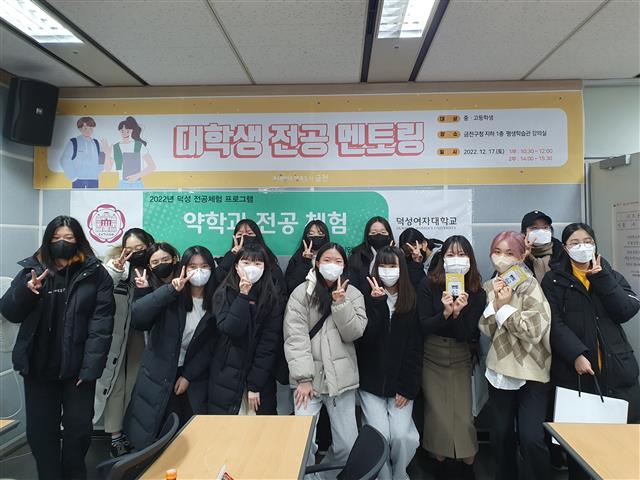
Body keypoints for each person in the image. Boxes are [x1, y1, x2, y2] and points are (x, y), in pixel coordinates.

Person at [0, 215, 115, 479]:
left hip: (78, 371)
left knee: (79, 431)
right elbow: (9, 312)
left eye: (68, 237)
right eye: (56, 238)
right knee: (40, 434)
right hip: (38, 367)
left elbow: (101, 325)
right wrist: (27, 291)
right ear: (47, 240)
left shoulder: (95, 274)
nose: (62, 242)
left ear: (79, 240)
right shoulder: (32, 269)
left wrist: (91, 369)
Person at [541, 223, 640, 479]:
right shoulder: (554, 280)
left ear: (594, 244)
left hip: (617, 370)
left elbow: (626, 310)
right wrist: (575, 354)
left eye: (587, 241)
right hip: (576, 373)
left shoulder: (609, 274)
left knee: (621, 447)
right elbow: (553, 323)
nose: (582, 247)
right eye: (575, 243)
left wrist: (601, 278)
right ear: (565, 248)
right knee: (582, 448)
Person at [284, 242, 367, 475]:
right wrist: (303, 378)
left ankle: (327, 475)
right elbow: (295, 337)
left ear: (344, 265)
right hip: (307, 382)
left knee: (347, 444)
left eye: (338, 261)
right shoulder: (302, 293)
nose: (332, 265)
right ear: (317, 263)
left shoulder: (354, 294)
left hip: (341, 380)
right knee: (303, 442)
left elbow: (354, 332)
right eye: (327, 260)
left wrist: (341, 303)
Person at [124, 245, 216, 449]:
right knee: (157, 434)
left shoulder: (217, 300)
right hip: (160, 372)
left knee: (191, 435)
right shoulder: (171, 293)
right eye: (193, 266)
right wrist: (170, 291)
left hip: (193, 375)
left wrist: (188, 375)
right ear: (183, 267)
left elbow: (211, 345)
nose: (198, 271)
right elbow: (138, 318)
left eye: (204, 266)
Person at [479, 231, 552, 480]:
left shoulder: (531, 285)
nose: (502, 257)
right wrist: (495, 304)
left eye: (509, 253)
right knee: (500, 436)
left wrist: (505, 308)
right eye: (497, 251)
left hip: (531, 370)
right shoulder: (491, 286)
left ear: (522, 256)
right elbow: (486, 329)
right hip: (500, 369)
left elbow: (534, 330)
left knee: (531, 438)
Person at [417, 235, 486, 479]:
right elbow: (424, 325)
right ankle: (439, 464)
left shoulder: (476, 291)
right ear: (442, 259)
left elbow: (467, 334)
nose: (456, 259)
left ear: (470, 259)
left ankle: (468, 465)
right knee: (437, 417)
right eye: (450, 255)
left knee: (463, 417)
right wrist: (445, 314)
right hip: (432, 356)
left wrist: (458, 314)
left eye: (462, 255)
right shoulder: (428, 285)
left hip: (460, 356)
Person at [357, 246, 421, 480]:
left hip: (401, 386)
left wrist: (407, 387)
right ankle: (382, 477)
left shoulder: (411, 300)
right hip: (371, 384)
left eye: (392, 266)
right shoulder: (365, 297)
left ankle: (400, 474)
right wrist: (377, 305)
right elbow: (365, 340)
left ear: (401, 269)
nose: (387, 271)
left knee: (403, 437)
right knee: (379, 436)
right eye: (382, 265)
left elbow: (415, 348)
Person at [214, 219, 286, 414]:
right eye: (245, 262)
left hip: (260, 375)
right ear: (236, 266)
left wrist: (255, 384)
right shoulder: (223, 292)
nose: (251, 267)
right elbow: (230, 328)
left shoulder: (270, 296)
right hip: (226, 374)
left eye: (257, 263)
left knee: (263, 426)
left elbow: (268, 343)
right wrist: (243, 295)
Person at [94, 228, 155, 457]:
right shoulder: (113, 265)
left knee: (135, 384)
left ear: (149, 246)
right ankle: (115, 436)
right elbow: (99, 293)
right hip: (115, 335)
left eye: (140, 248)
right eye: (129, 249)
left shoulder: (155, 266)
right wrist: (115, 270)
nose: (135, 253)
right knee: (114, 384)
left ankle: (131, 431)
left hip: (140, 334)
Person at [103, 116, 156, 189]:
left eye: (127, 130)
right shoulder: (115, 147)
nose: (124, 132)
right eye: (122, 130)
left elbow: (152, 166)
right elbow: (108, 169)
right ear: (119, 131)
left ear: (131, 130)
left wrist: (136, 176)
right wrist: (107, 154)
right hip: (122, 183)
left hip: (137, 183)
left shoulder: (139, 145)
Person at [348, 216, 395, 291]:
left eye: (383, 232)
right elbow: (353, 286)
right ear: (367, 235)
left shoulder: (397, 255)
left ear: (389, 235)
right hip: (362, 297)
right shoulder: (357, 255)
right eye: (373, 233)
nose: (379, 235)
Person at [285, 220, 330, 295]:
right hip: (302, 298)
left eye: (320, 234)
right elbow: (291, 286)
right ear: (305, 237)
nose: (315, 236)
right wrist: (305, 261)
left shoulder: (332, 256)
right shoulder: (297, 257)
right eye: (311, 234)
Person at [59, 117, 106, 189]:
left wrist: (98, 172)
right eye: (85, 128)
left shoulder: (96, 143)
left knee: (94, 196)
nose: (88, 131)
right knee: (78, 196)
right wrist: (73, 177)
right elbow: (64, 160)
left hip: (93, 179)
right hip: (78, 179)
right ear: (80, 129)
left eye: (91, 128)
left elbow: (102, 157)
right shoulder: (74, 142)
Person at [520, 210, 564, 282]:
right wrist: (523, 257)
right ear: (524, 233)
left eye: (545, 227)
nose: (541, 231)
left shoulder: (561, 251)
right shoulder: (515, 251)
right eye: (534, 228)